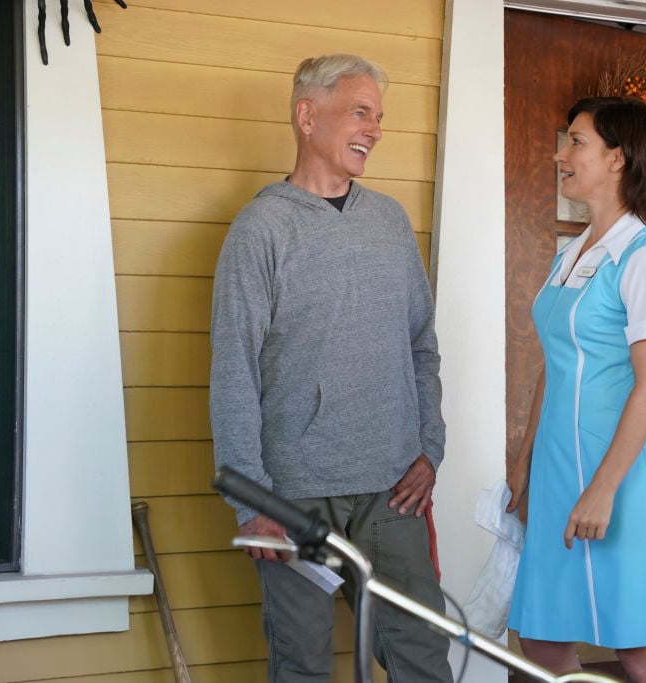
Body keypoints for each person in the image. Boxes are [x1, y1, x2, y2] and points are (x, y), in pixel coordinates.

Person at [209, 54, 452, 683]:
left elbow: (421, 343)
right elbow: (233, 368)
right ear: (307, 116)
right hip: (295, 498)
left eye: (379, 118)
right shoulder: (261, 229)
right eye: (360, 112)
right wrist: (250, 502)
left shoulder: (391, 223)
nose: (374, 128)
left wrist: (430, 447)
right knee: (304, 665)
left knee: (422, 657)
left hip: (394, 490)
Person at [505, 97, 646, 683]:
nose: (559, 154)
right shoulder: (572, 254)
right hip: (557, 475)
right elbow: (555, 364)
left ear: (618, 159)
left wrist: (602, 488)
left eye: (575, 141)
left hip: (621, 484)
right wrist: (523, 462)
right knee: (543, 645)